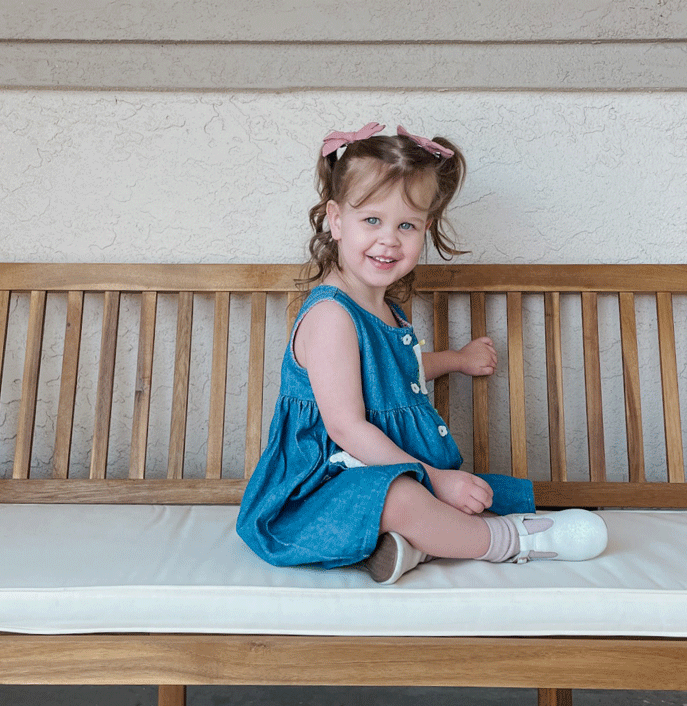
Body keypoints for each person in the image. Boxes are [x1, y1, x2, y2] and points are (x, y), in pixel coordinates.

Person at [236, 121, 607, 583]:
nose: (389, 238)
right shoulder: (331, 317)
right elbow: (347, 427)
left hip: (378, 471)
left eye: (406, 225)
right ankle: (512, 540)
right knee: (404, 499)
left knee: (479, 490)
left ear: (425, 230)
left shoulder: (383, 308)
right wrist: (434, 477)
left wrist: (456, 359)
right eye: (371, 220)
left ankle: (411, 548)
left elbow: (395, 374)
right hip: (321, 489)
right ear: (335, 220)